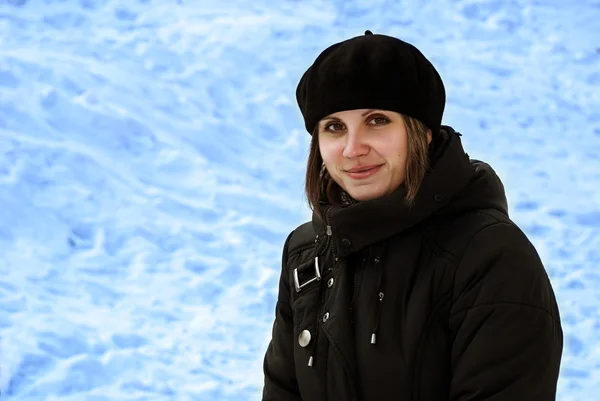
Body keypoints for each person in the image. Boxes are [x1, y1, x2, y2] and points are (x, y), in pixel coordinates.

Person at [261, 30, 563, 401]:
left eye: (377, 120)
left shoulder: (489, 256)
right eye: (335, 127)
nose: (353, 149)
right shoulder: (307, 253)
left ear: (424, 133)